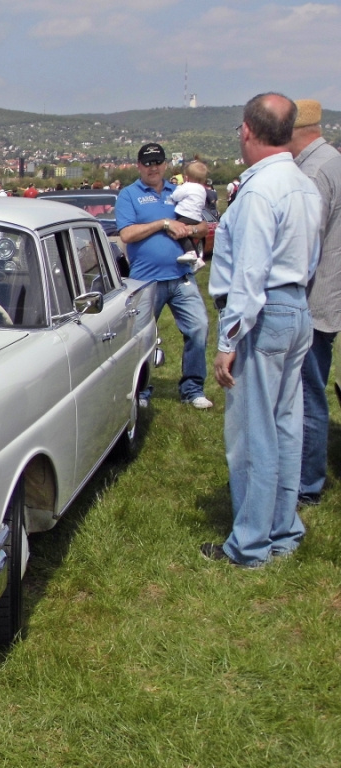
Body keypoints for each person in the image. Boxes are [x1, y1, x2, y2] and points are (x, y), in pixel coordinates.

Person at [204, 92, 322, 568]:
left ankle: (250, 544)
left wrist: (228, 341)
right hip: (295, 307)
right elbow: (309, 260)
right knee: (285, 426)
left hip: (262, 312)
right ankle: (282, 528)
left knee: (253, 434)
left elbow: (249, 276)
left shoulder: (257, 191)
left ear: (248, 131)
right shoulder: (303, 184)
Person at [116, 142, 212, 409]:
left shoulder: (181, 191)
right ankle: (142, 391)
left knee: (199, 329)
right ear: (139, 166)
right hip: (146, 280)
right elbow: (126, 234)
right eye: (147, 163)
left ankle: (193, 389)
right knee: (142, 336)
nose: (153, 167)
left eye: (157, 162)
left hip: (181, 277)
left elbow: (204, 225)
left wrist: (187, 231)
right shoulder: (129, 195)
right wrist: (162, 223)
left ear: (165, 164)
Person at [288, 100, 341, 507]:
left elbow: (306, 242)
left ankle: (307, 483)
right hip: (330, 292)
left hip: (315, 297)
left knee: (308, 392)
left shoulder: (313, 170)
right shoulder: (332, 160)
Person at [169, 160, 209, 265]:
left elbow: (176, 196)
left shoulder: (187, 186)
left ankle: (190, 252)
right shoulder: (202, 189)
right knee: (189, 236)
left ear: (187, 177)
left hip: (185, 214)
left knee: (178, 231)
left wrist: (179, 187)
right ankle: (197, 259)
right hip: (196, 217)